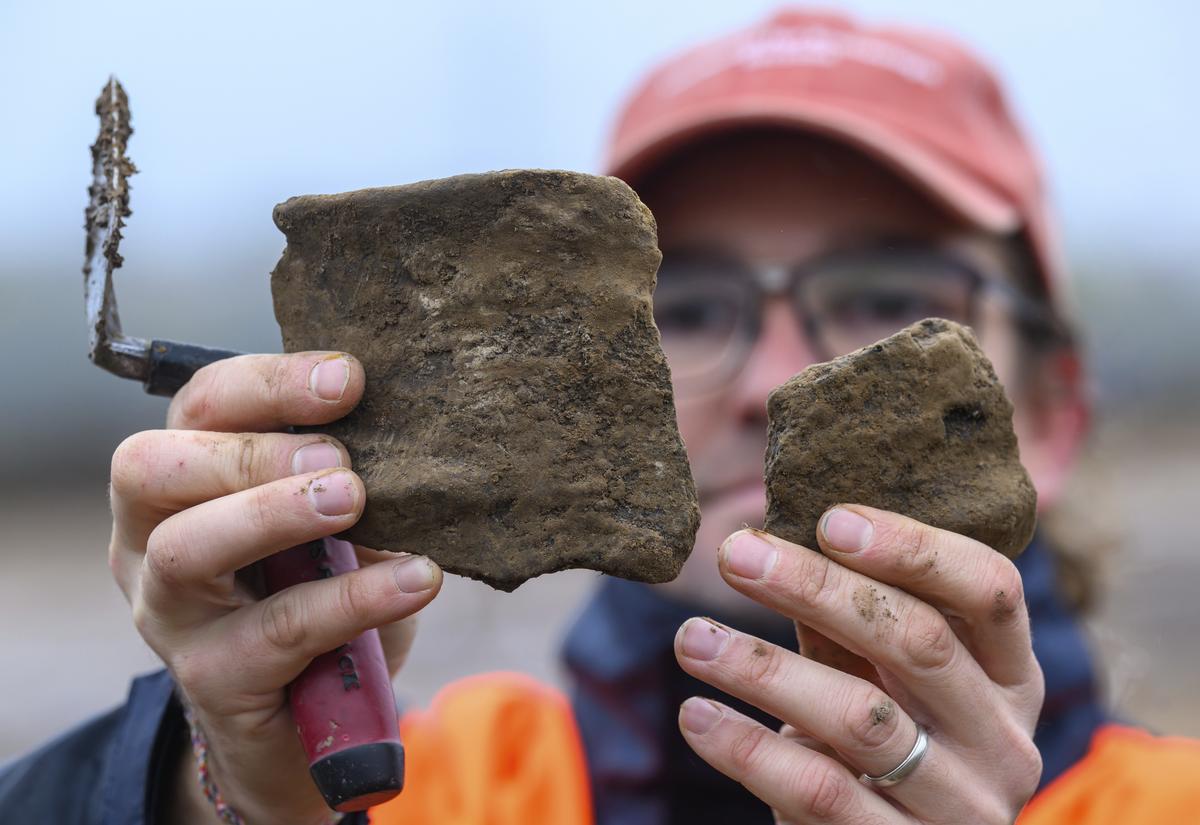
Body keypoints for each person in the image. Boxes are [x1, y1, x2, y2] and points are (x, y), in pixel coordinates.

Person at [3, 8, 1199, 825]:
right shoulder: (429, 790)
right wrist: (214, 783)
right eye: (684, 303)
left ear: (1048, 405)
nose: (776, 377)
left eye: (887, 304)